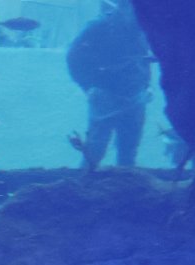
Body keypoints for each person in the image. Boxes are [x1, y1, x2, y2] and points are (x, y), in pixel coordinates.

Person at [66, 0, 153, 168]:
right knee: (95, 151)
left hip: (135, 98)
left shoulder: (140, 28)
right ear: (123, 6)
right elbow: (73, 57)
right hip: (105, 97)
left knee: (128, 153)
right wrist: (87, 86)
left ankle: (124, 191)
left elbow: (142, 59)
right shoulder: (98, 27)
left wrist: (147, 85)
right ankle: (82, 187)